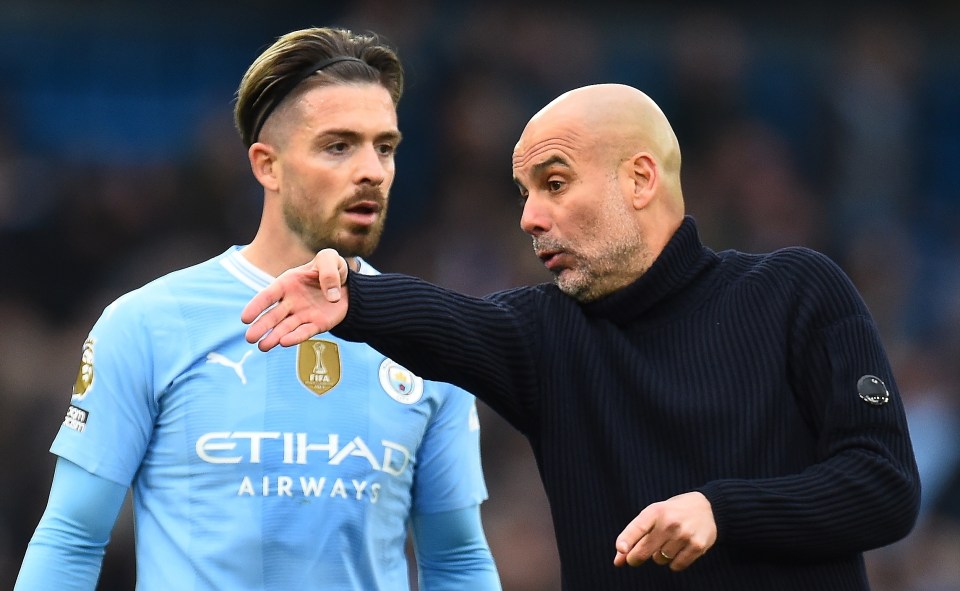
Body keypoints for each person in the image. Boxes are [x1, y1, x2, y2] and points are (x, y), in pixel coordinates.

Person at [241, 83, 922, 590]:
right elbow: (449, 320)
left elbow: (883, 483)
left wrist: (723, 507)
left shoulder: (795, 290)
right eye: (524, 193)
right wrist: (353, 295)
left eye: (555, 182)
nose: (531, 217)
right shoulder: (546, 334)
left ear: (639, 179)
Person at [15, 27, 501, 591]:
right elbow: (72, 536)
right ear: (267, 165)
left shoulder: (432, 338)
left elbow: (458, 558)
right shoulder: (147, 323)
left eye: (385, 146)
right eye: (338, 145)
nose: (372, 169)